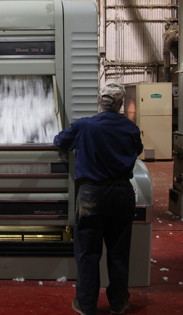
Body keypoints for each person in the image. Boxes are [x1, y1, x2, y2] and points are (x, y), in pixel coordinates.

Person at [53, 82, 143, 315]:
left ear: (98, 100)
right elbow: (137, 149)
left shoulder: (84, 126)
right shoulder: (131, 128)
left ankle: (86, 304)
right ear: (121, 104)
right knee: (119, 252)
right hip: (123, 193)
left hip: (92, 194)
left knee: (88, 253)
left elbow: (60, 141)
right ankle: (119, 302)